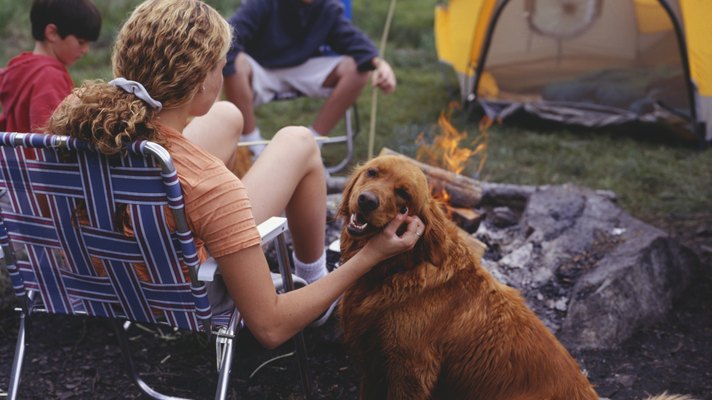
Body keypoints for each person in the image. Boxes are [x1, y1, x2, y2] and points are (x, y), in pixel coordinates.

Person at [45, 0, 423, 349]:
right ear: (201, 82)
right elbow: (271, 327)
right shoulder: (210, 183)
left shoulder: (83, 128)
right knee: (299, 141)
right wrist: (370, 255)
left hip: (108, 275)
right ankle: (314, 278)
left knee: (227, 115)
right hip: (183, 285)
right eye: (220, 65)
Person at [222, 0, 397, 157]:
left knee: (357, 68)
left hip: (304, 68)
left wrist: (380, 64)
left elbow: (353, 41)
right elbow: (230, 36)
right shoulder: (263, 4)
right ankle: (252, 146)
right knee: (234, 61)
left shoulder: (327, 7)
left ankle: (312, 144)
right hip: (262, 68)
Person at [0, 0, 101, 133]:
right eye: (81, 42)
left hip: (14, 154)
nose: (86, 50)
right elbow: (51, 136)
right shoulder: (49, 77)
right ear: (52, 33)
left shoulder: (21, 68)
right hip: (35, 155)